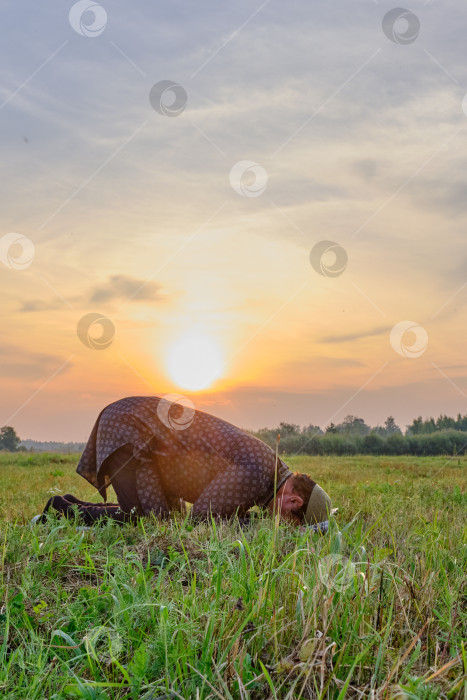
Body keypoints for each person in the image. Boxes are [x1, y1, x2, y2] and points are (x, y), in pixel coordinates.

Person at [39, 396, 331, 527]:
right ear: (293, 503)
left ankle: (66, 508)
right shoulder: (258, 473)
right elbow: (203, 517)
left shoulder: (267, 471)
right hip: (131, 430)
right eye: (290, 526)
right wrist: (251, 525)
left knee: (166, 518)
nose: (279, 528)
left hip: (149, 445)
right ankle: (59, 510)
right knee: (148, 520)